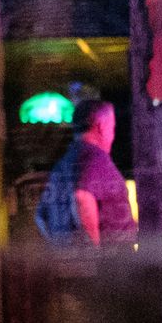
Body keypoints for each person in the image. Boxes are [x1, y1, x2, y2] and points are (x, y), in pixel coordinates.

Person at [31, 100, 135, 246]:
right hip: (110, 264)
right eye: (112, 128)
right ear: (101, 126)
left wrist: (64, 252)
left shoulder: (62, 165)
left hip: (75, 265)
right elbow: (81, 197)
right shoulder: (96, 158)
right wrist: (93, 254)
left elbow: (41, 217)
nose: (112, 135)